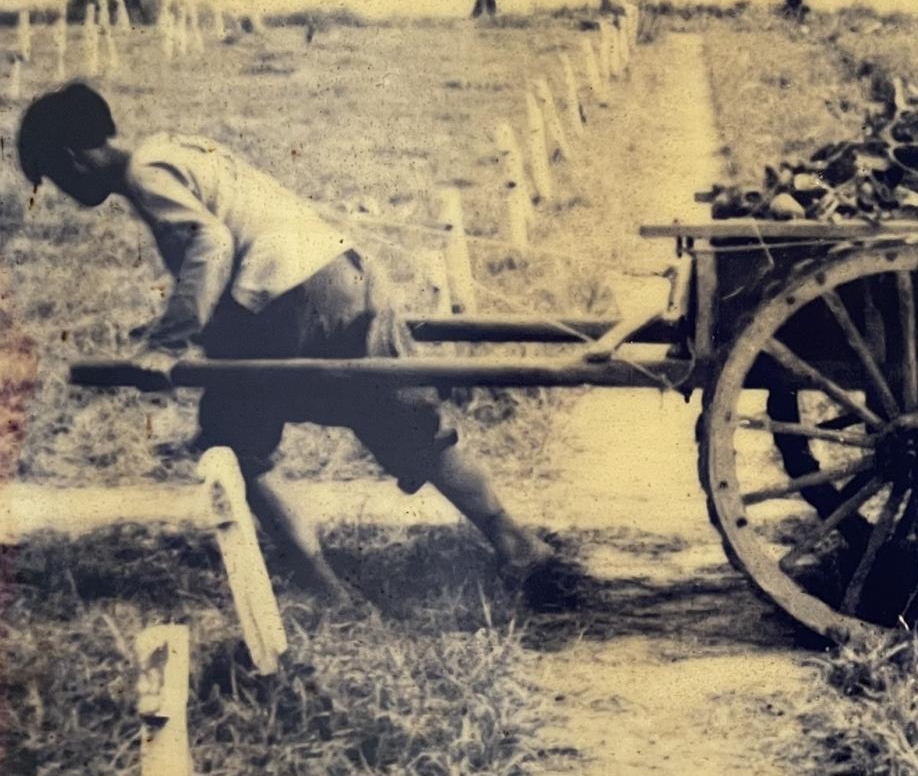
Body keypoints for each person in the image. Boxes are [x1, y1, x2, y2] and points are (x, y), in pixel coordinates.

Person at [17, 83, 566, 608]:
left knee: (235, 442)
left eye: (54, 178)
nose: (63, 192)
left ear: (72, 159)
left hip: (287, 295)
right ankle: (515, 543)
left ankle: (326, 590)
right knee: (404, 423)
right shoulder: (173, 148)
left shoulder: (144, 173)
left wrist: (168, 344)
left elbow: (211, 245)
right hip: (343, 275)